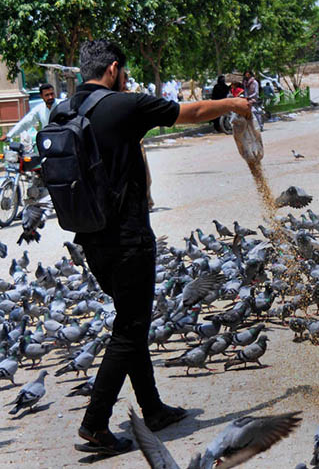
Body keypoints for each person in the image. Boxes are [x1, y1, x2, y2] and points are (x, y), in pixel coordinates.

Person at [69, 40, 250, 455]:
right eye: (124, 71)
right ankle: (95, 423)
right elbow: (190, 113)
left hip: (90, 240)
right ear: (114, 69)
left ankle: (153, 408)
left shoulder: (66, 110)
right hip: (128, 237)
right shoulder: (122, 104)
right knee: (130, 329)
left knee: (132, 323)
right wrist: (232, 106)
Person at [0, 83, 62, 151]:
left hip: (63, 140)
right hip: (48, 143)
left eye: (52, 94)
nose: (50, 97)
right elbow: (25, 123)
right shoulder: (39, 109)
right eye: (47, 95)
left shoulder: (63, 105)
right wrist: (9, 135)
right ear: (41, 96)